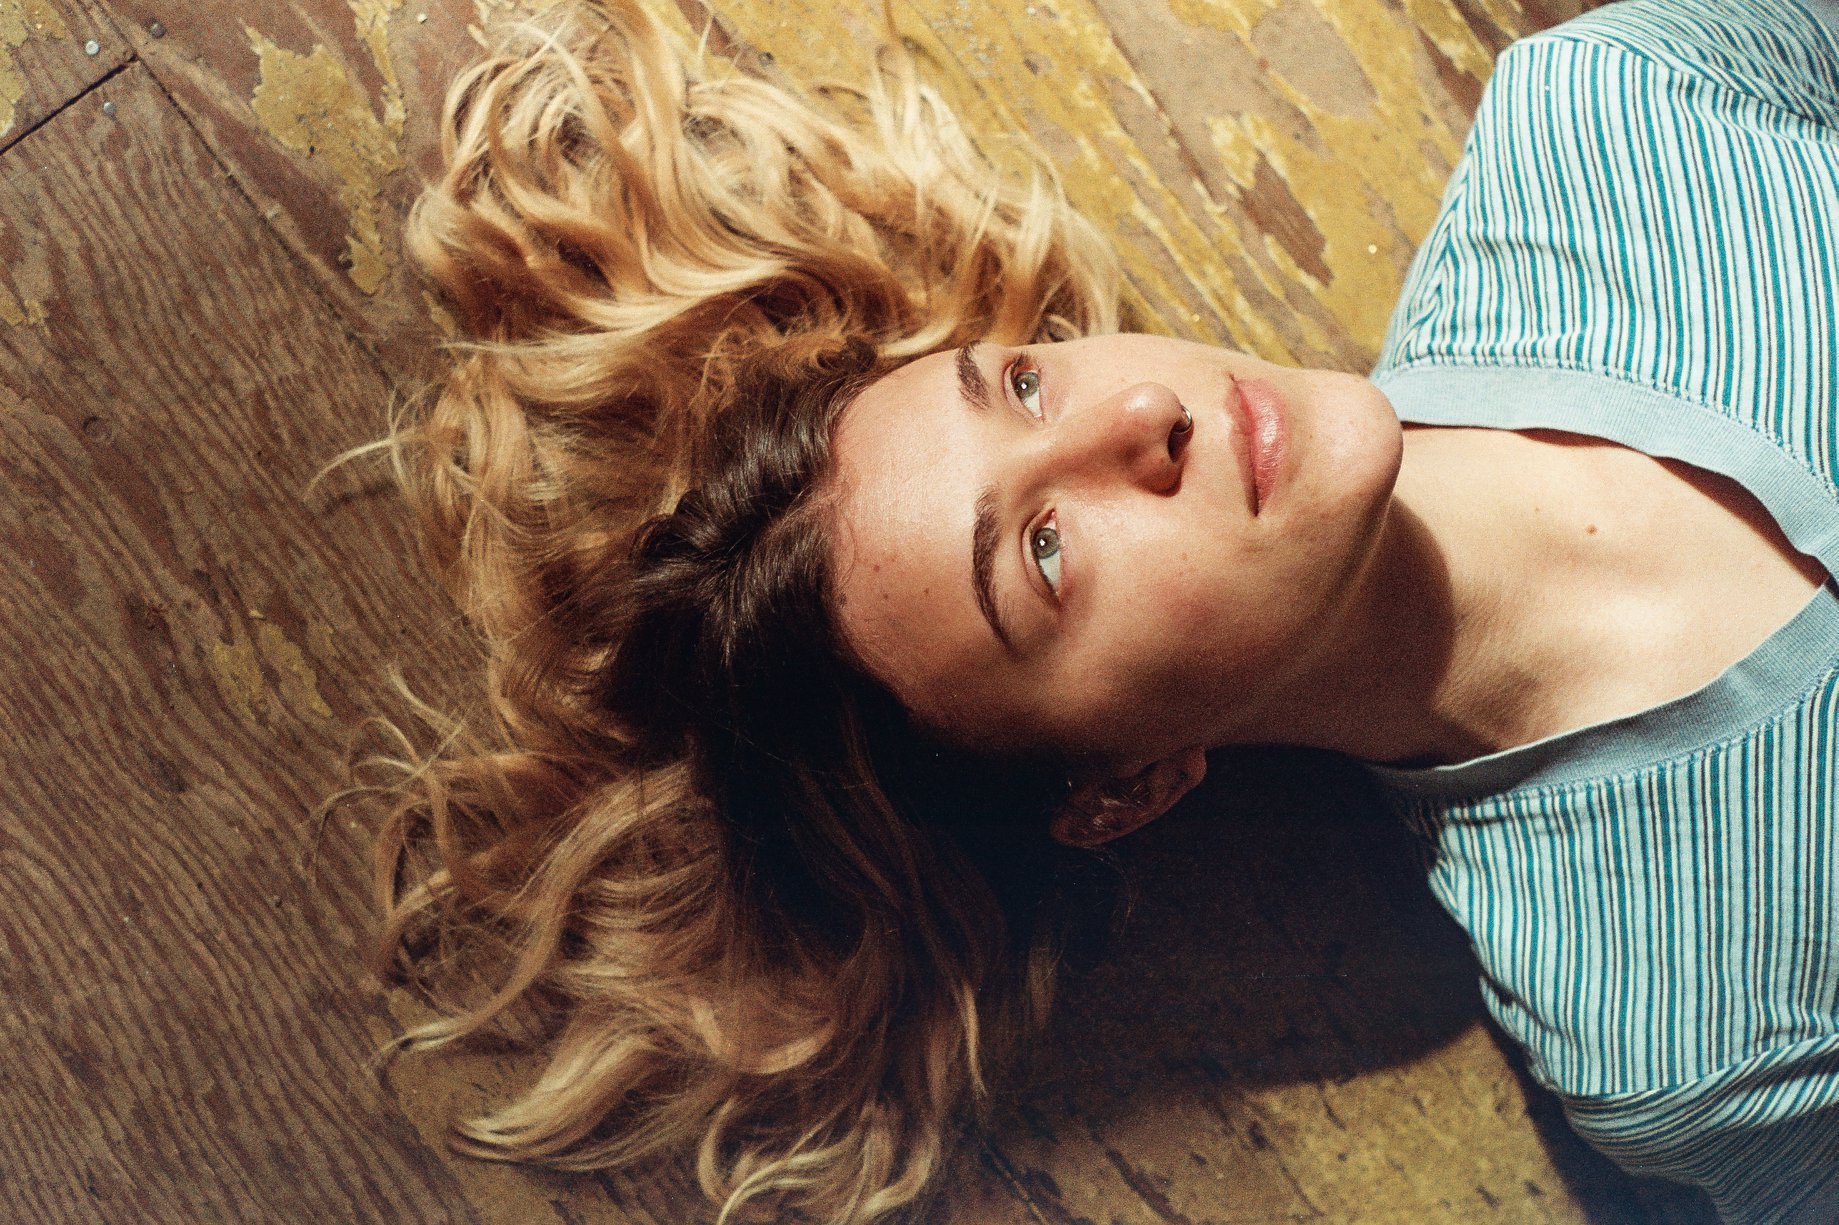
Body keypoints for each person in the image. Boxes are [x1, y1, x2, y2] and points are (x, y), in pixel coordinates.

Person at [357, 0, 1839, 1221]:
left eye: (1021, 385)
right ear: (1124, 788)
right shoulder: (1684, 1030)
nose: (1140, 413)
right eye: (1048, 554)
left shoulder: (1617, 124)